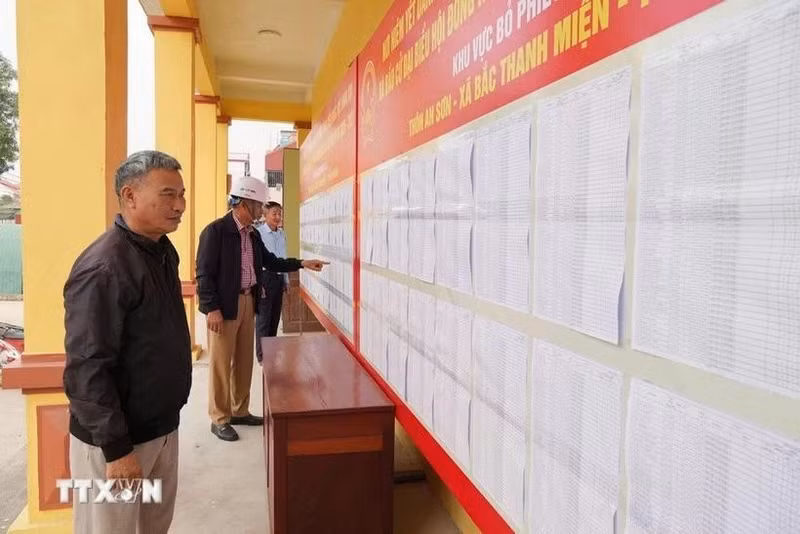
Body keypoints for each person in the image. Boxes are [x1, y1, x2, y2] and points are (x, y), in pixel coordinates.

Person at [63, 150, 190, 534]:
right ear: (130, 196)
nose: (180, 205)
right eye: (168, 194)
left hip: (161, 430)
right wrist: (117, 451)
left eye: (182, 194)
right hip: (118, 443)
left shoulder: (161, 251)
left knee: (153, 526)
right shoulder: (104, 267)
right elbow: (87, 367)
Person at [196, 176, 327, 442]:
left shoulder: (253, 235)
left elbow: (272, 262)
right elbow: (204, 273)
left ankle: (239, 410)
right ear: (243, 203)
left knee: (244, 360)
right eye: (258, 206)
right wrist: (211, 308)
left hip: (248, 301)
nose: (261, 211)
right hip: (224, 306)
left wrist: (302, 263)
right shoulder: (216, 231)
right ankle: (219, 418)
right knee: (222, 363)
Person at [255, 201, 289, 363]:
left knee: (275, 317)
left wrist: (286, 279)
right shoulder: (258, 234)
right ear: (265, 215)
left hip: (279, 277)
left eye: (279, 213)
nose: (277, 217)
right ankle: (262, 356)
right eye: (274, 213)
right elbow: (255, 261)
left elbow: (284, 256)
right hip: (265, 278)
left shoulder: (282, 234)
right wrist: (258, 284)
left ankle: (271, 351)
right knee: (264, 319)